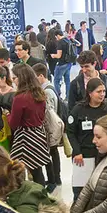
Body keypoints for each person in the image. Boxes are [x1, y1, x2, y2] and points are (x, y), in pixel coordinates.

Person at [67, 77, 107, 199]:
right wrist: (77, 151)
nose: (102, 94)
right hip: (83, 156)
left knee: (100, 190)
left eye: (104, 91)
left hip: (103, 157)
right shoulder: (78, 109)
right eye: (98, 91)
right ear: (90, 93)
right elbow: (70, 131)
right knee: (80, 192)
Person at [9, 64, 51, 185]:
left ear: (21, 78)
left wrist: (7, 115)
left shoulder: (20, 98)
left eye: (14, 78)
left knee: (16, 171)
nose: (13, 81)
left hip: (24, 138)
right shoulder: (40, 94)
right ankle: (40, 197)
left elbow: (13, 123)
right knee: (37, 171)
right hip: (38, 135)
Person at [33, 63, 62, 193]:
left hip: (50, 128)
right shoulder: (48, 88)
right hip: (51, 128)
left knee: (52, 153)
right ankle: (56, 177)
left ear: (41, 76)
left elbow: (51, 111)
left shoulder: (47, 91)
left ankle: (56, 178)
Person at [48, 29, 73, 97]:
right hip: (69, 63)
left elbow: (59, 55)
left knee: (56, 80)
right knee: (67, 81)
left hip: (61, 64)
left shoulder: (60, 42)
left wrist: (53, 55)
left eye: (56, 37)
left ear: (58, 35)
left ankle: (58, 96)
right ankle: (68, 96)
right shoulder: (67, 40)